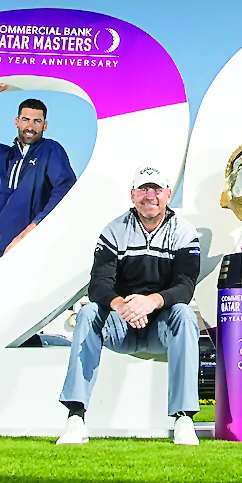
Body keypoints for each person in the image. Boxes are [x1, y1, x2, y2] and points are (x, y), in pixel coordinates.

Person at [57, 166, 202, 446]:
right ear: (133, 195)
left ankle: (184, 418)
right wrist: (121, 306)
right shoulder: (114, 230)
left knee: (184, 314)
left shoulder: (184, 231)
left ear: (168, 194)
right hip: (121, 323)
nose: (150, 196)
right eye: (144, 189)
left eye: (157, 190)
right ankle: (75, 418)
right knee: (87, 312)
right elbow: (98, 283)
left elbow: (185, 286)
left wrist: (150, 303)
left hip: (160, 327)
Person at [0, 85, 77, 270]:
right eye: (26, 120)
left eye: (37, 121)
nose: (31, 127)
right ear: (17, 121)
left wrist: (33, 228)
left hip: (32, 246)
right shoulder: (0, 155)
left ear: (45, 125)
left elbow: (65, 187)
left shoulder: (51, 150)